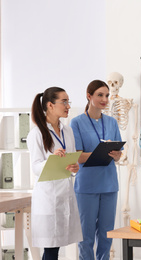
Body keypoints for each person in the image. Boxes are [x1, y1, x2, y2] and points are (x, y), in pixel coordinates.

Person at [26, 87, 82, 260]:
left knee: (55, 249)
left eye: (68, 102)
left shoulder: (68, 131)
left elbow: (72, 161)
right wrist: (52, 159)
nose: (68, 106)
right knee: (51, 250)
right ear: (50, 105)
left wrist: (74, 168)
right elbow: (35, 167)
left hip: (65, 194)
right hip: (48, 197)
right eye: (64, 102)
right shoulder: (36, 134)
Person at [70, 80, 122, 260]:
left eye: (107, 95)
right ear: (89, 96)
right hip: (87, 186)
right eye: (100, 95)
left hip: (109, 184)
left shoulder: (112, 122)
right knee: (86, 236)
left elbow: (118, 154)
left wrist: (115, 155)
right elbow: (76, 155)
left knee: (107, 234)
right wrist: (99, 153)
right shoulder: (76, 123)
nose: (104, 99)